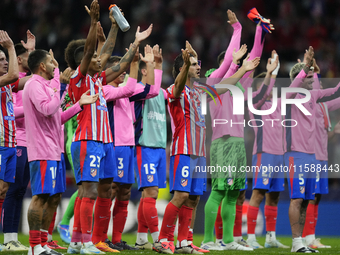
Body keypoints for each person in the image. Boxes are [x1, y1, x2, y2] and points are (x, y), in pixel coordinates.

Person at [153, 41, 260, 254]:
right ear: (183, 68)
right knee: (181, 196)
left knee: (193, 199)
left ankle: (184, 242)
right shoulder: (175, 90)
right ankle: (163, 239)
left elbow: (224, 86)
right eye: (193, 64)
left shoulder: (200, 91)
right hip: (183, 151)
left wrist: (244, 69)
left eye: (198, 63)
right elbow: (178, 86)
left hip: (200, 153)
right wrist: (184, 66)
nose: (198, 66)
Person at [23, 48, 98, 255]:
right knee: (40, 197)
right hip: (42, 150)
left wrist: (79, 105)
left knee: (53, 196)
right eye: (51, 62)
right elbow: (48, 109)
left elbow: (57, 119)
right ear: (41, 66)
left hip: (54, 150)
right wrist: (61, 84)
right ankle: (34, 247)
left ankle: (43, 243)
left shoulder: (46, 86)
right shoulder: (34, 85)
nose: (55, 65)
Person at [104, 44, 158, 251]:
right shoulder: (107, 90)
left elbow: (151, 91)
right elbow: (128, 88)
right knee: (111, 190)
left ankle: (116, 239)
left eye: (123, 68)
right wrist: (135, 63)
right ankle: (99, 236)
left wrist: (151, 65)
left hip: (128, 146)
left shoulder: (126, 90)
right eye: (118, 68)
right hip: (115, 145)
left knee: (125, 192)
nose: (123, 72)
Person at [286, 46, 340, 253]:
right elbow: (295, 85)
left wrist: (314, 69)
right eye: (308, 77)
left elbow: (334, 91)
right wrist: (306, 67)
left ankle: (302, 242)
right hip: (295, 154)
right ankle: (296, 242)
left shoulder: (312, 98)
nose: (312, 79)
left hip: (311, 156)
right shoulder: (290, 97)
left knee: (307, 200)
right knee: (296, 198)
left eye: (312, 77)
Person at [245, 52, 289, 249]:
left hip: (279, 156)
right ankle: (252, 237)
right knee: (258, 194)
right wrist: (271, 73)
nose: (270, 88)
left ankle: (271, 237)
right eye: (266, 85)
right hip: (264, 154)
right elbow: (265, 90)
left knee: (275, 196)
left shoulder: (277, 104)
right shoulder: (254, 102)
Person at [1, 30, 35, 252]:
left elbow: (27, 79)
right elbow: (15, 75)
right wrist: (12, 48)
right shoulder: (3, 81)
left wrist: (33, 55)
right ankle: (8, 239)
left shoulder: (6, 85)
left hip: (10, 142)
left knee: (7, 190)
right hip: (2, 143)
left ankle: (9, 240)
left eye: (6, 60)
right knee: (5, 190)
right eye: (1, 60)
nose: (5, 63)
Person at [133, 45, 165, 250]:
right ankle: (157, 240)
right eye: (150, 67)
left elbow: (157, 88)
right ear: (144, 70)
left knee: (148, 194)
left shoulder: (162, 92)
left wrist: (158, 63)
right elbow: (151, 90)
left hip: (159, 148)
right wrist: (153, 64)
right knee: (151, 192)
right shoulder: (138, 90)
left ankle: (141, 239)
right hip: (144, 146)